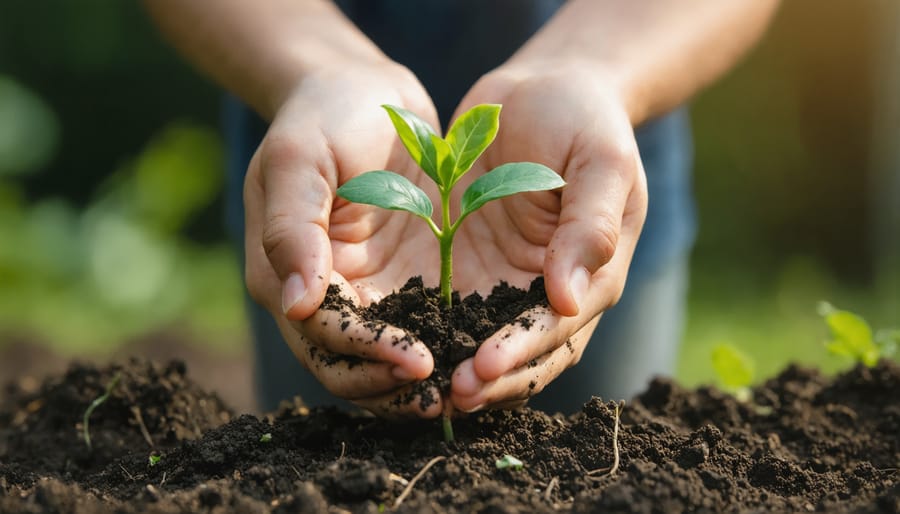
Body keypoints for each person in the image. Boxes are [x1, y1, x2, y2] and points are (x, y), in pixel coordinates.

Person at [144, 0, 779, 416]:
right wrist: (318, 70)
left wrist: (590, 70)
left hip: (581, 176)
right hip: (326, 188)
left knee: (608, 446)